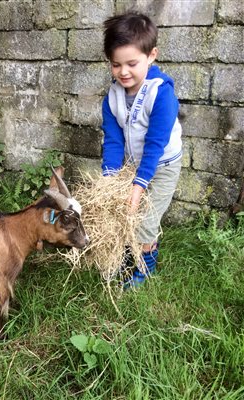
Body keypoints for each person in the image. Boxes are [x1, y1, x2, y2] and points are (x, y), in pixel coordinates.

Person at [100, 11, 182, 288]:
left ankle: (144, 267)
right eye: (115, 65)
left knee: (145, 220)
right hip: (135, 164)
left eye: (132, 63)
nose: (123, 72)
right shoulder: (112, 97)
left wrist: (139, 185)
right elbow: (113, 141)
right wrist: (109, 180)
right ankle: (128, 256)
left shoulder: (161, 94)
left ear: (152, 55)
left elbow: (155, 145)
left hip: (162, 166)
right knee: (126, 214)